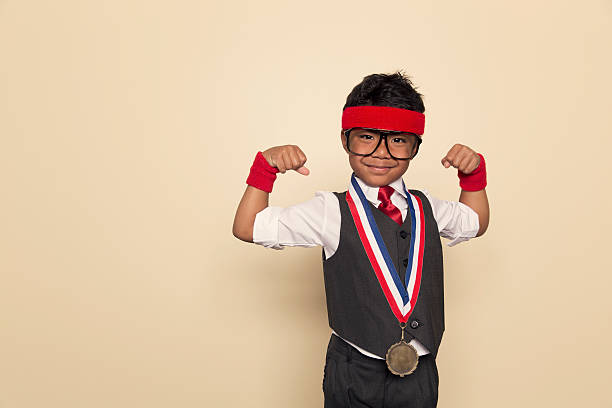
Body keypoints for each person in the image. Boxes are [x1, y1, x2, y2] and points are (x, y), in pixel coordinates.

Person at [232, 71, 490, 408]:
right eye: (367, 137)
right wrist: (264, 170)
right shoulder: (330, 211)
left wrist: (472, 177)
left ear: (416, 146)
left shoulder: (427, 206)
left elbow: (475, 222)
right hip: (354, 369)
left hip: (420, 371)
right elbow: (248, 227)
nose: (381, 152)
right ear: (345, 139)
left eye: (398, 140)